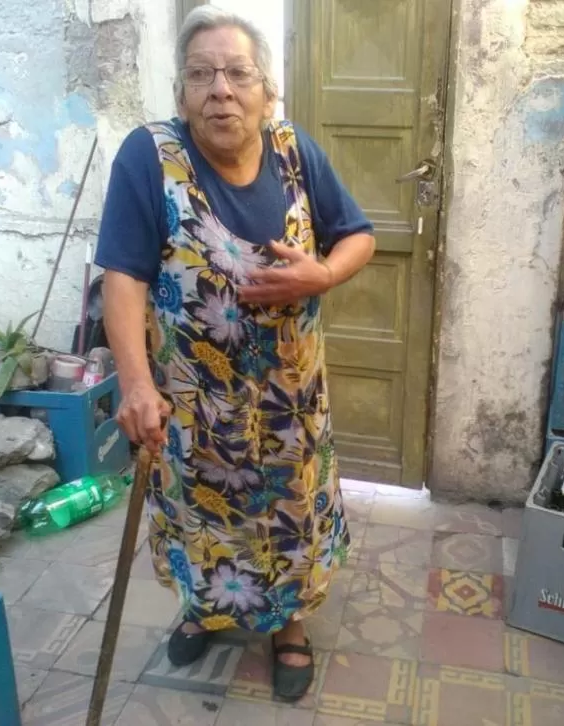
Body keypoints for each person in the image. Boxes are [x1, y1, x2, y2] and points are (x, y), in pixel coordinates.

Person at [94, 5, 376, 702]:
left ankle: (289, 627)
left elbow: (358, 234)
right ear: (182, 92)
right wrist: (134, 382)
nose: (220, 88)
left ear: (267, 91)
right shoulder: (149, 157)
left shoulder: (294, 150)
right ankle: (210, 606)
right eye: (201, 74)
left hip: (291, 404)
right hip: (194, 403)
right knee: (202, 515)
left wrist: (326, 273)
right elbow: (122, 276)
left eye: (238, 72)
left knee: (292, 514)